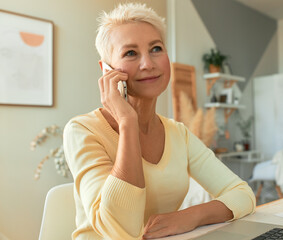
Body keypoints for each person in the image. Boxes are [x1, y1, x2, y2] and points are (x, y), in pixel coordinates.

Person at [63, 3, 256, 240]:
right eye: (131, 53)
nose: (148, 64)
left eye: (156, 48)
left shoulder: (178, 133)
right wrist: (127, 122)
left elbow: (242, 194)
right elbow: (120, 229)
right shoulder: (82, 130)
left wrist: (189, 216)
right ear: (107, 70)